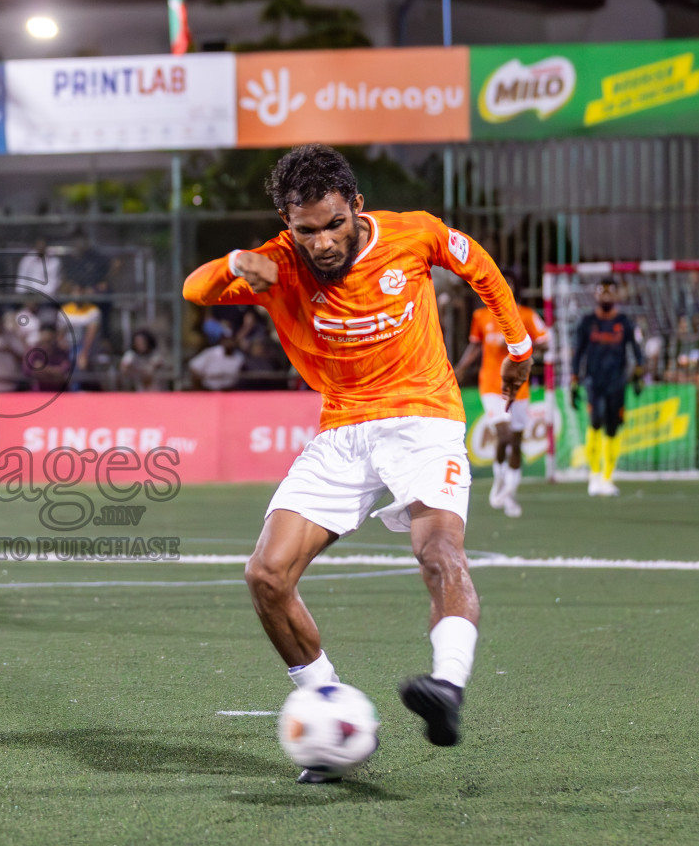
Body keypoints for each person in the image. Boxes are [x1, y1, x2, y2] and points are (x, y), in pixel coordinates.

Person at [182, 144, 532, 782]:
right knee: (266, 575)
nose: (320, 242)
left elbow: (477, 265)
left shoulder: (413, 234)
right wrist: (238, 261)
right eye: (305, 229)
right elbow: (195, 288)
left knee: (439, 552)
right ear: (289, 223)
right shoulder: (279, 263)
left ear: (357, 208)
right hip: (343, 430)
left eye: (333, 224)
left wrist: (519, 341)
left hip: (424, 419)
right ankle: (328, 706)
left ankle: (447, 688)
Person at [455, 283, 548, 518]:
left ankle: (510, 492)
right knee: (503, 434)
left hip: (518, 387)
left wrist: (524, 345)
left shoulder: (526, 315)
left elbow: (545, 340)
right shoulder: (481, 315)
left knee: (516, 441)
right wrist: (461, 368)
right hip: (491, 386)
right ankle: (499, 479)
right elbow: (475, 345)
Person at [569, 279, 642, 497]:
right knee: (596, 420)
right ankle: (594, 474)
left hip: (617, 382)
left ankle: (608, 477)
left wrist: (639, 374)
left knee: (612, 427)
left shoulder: (625, 323)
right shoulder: (587, 322)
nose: (607, 296)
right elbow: (578, 352)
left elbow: (636, 350)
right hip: (594, 381)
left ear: (617, 296)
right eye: (603, 292)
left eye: (611, 292)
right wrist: (574, 380)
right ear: (596, 295)